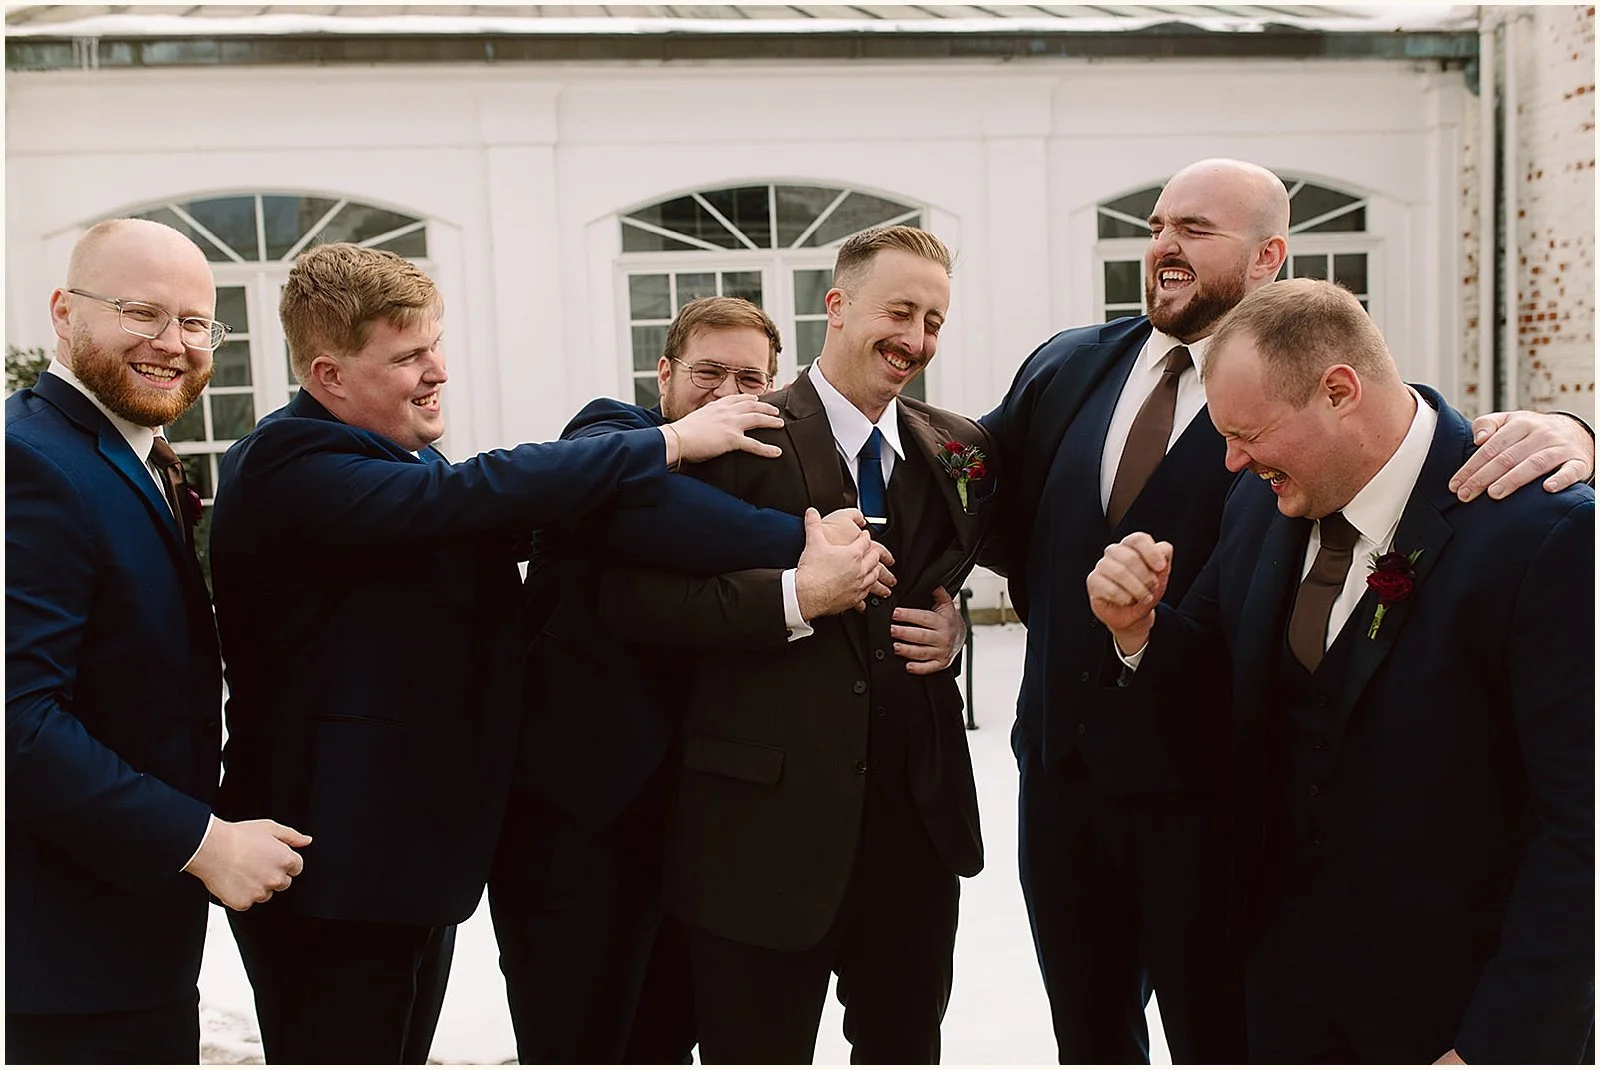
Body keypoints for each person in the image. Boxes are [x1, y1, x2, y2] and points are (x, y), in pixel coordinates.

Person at [980, 157, 1597, 1064]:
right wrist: (1139, 632)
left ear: (1339, 392)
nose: (1228, 463)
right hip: (1280, 981)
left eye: (1244, 437)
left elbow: (1579, 831)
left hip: (1445, 1007)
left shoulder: (1540, 533)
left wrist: (1499, 1043)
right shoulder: (1260, 498)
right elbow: (1220, 665)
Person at [207, 243, 787, 1064]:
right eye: (409, 356)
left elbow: (514, 511)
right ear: (330, 375)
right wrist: (670, 444)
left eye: (435, 345)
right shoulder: (288, 462)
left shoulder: (400, 460)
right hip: (323, 868)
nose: (436, 370)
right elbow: (473, 495)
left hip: (404, 863)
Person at [492, 295, 942, 1064]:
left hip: (703, 831)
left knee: (673, 1036)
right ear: (663, 375)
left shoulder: (762, 469)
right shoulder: (613, 438)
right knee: (578, 1039)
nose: (729, 395)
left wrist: (945, 625)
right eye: (707, 373)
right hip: (579, 825)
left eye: (750, 379)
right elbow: (649, 513)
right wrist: (805, 552)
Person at [598, 226, 993, 1064]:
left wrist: (952, 625)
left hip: (914, 837)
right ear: (838, 306)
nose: (916, 339)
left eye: (934, 321)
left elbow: (946, 574)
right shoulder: (734, 433)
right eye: (900, 311)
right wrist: (793, 598)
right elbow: (634, 603)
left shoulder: (959, 446)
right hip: (758, 838)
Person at [6, 219, 308, 1064]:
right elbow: (14, 726)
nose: (173, 345)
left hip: (127, 946)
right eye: (142, 312)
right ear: (65, 312)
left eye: (194, 323)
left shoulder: (128, 452)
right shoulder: (28, 463)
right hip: (59, 963)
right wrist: (204, 843)